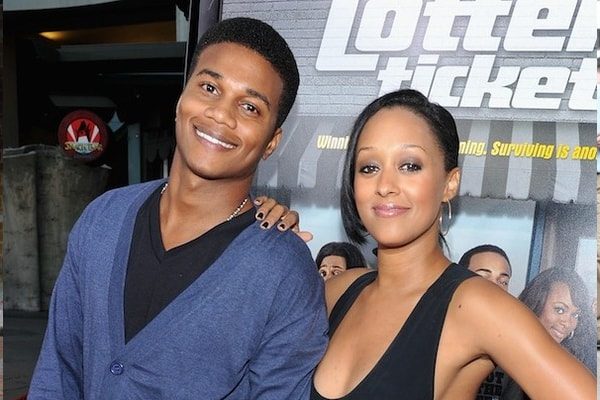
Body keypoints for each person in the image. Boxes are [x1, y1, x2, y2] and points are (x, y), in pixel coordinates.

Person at [28, 17, 328, 399]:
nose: (221, 114)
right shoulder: (102, 219)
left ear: (272, 141)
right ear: (181, 97)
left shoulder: (285, 273)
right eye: (209, 87)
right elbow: (58, 373)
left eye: (250, 107)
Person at [258, 89, 593, 399]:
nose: (385, 185)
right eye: (369, 167)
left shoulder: (475, 306)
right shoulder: (336, 291)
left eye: (410, 166)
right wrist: (263, 240)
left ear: (449, 183)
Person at [503, 267, 596, 400]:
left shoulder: (577, 363)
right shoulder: (502, 348)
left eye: (575, 315)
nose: (567, 323)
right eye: (560, 310)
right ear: (536, 303)